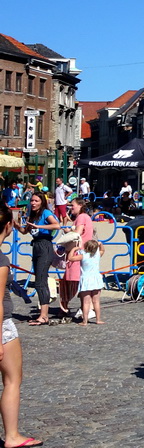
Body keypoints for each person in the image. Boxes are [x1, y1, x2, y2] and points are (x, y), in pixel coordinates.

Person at [0, 204, 43, 448]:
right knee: (13, 379)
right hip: (3, 326)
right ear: (8, 226)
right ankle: (12, 436)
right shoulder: (1, 260)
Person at [15, 192, 61, 326]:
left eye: (36, 201)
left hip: (45, 246)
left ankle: (44, 315)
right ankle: (43, 314)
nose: (33, 203)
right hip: (36, 246)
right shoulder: (33, 215)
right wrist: (16, 225)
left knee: (41, 281)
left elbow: (56, 225)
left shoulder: (46, 213)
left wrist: (40, 227)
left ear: (42, 202)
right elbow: (25, 231)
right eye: (32, 201)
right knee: (39, 280)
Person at [67, 240, 105, 325]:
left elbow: (70, 258)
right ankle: (98, 319)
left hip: (86, 280)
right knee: (96, 301)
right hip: (96, 279)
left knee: (86, 302)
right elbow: (103, 250)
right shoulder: (97, 254)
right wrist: (100, 244)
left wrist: (73, 249)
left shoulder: (83, 255)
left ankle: (85, 321)